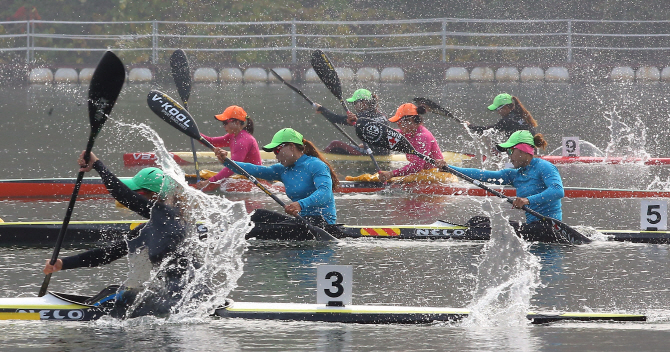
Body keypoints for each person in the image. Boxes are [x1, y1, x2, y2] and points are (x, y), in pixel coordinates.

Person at [42, 152, 194, 318]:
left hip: (186, 302)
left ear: (155, 196)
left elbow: (123, 195)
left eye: (139, 194)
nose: (134, 197)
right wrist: (62, 263)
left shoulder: (170, 217)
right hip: (177, 299)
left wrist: (97, 164)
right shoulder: (150, 228)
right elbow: (108, 254)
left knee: (115, 296)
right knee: (114, 292)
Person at [213, 128, 343, 240]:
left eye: (277, 150)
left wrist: (300, 204)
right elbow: (254, 169)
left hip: (321, 222)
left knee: (256, 230)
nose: (276, 156)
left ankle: (221, 234)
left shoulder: (316, 165)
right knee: (257, 214)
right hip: (301, 221)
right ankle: (224, 228)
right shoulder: (282, 170)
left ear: (291, 146)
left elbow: (325, 193)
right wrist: (227, 160)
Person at [447, 130, 564, 242]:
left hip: (549, 227)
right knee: (476, 221)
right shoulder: (515, 174)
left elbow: (557, 191)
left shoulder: (544, 166)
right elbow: (482, 175)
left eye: (510, 151)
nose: (509, 157)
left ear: (523, 150)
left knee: (482, 228)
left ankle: (457, 236)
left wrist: (527, 200)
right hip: (532, 227)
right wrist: (448, 168)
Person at [196, 105, 262, 189]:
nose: (224, 126)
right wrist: (194, 133)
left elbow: (232, 168)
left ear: (237, 123)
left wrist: (208, 182)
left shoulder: (243, 141)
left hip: (255, 182)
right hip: (244, 178)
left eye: (225, 123)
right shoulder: (232, 136)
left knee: (222, 184)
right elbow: (210, 141)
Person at [377, 103, 445, 183]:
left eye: (399, 123)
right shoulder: (408, 133)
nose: (398, 126)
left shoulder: (423, 136)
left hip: (435, 176)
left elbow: (417, 166)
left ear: (411, 120)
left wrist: (391, 174)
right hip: (422, 174)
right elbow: (389, 133)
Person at [314, 88, 390, 156]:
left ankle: (319, 157)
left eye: (355, 103)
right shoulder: (382, 115)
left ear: (363, 102)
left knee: (335, 144)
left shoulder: (361, 116)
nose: (354, 106)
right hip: (385, 152)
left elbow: (336, 118)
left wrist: (321, 109)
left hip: (373, 153)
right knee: (359, 146)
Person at [466, 93, 538, 139]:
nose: (497, 112)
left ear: (506, 107)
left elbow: (488, 130)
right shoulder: (521, 114)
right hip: (531, 151)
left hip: (520, 155)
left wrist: (471, 126)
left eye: (498, 109)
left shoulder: (508, 120)